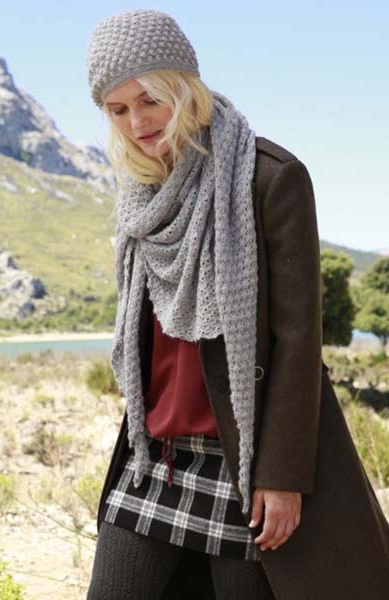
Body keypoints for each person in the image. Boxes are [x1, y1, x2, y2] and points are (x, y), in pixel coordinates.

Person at [85, 9, 389, 600]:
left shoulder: (270, 178)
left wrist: (282, 475)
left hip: (243, 460)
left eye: (148, 99)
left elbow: (299, 342)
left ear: (182, 86)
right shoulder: (141, 195)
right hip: (155, 457)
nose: (136, 122)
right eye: (117, 110)